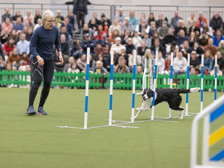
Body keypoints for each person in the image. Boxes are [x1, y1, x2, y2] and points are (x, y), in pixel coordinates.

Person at [26, 10, 63, 115]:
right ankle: (30, 107)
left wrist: (59, 54)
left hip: (49, 59)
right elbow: (32, 46)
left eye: (53, 21)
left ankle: (41, 107)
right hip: (38, 59)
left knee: (47, 83)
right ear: (43, 21)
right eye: (50, 21)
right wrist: (38, 56)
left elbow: (58, 43)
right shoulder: (38, 31)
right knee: (37, 80)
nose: (52, 23)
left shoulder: (55, 30)